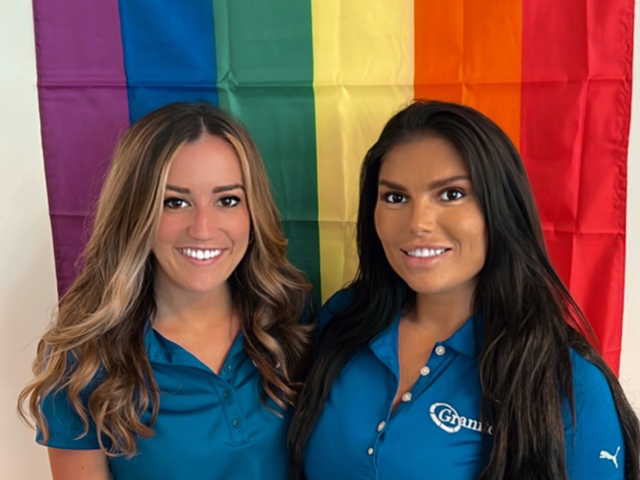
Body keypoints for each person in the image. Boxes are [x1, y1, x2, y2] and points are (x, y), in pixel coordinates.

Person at [289, 100, 640, 480]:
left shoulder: (567, 383)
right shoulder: (342, 320)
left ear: (501, 208)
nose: (417, 223)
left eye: (451, 194)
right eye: (395, 197)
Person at [18, 102, 312, 480]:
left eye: (227, 200)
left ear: (253, 211)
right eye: (175, 202)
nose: (203, 228)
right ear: (136, 213)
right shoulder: (84, 360)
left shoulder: (291, 316)